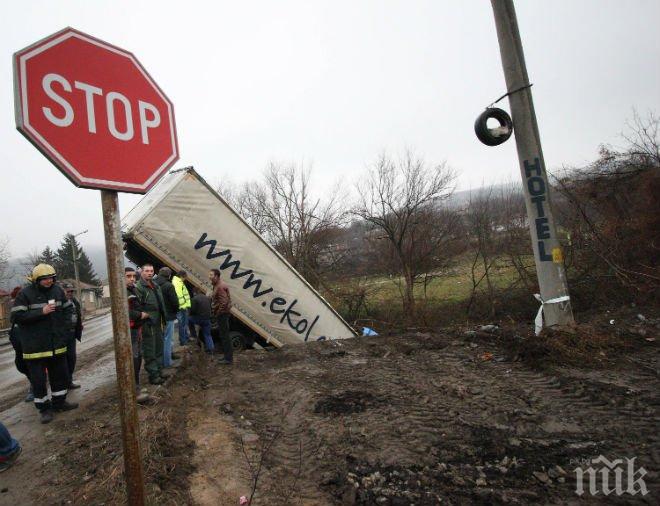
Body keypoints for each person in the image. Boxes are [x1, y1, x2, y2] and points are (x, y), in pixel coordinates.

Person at [10, 264, 78, 424]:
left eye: (51, 278)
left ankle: (60, 403)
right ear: (36, 280)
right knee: (38, 381)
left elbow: (68, 309)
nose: (49, 281)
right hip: (35, 348)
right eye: (44, 279)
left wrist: (67, 327)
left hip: (56, 345)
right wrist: (42, 312)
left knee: (60, 376)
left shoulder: (58, 291)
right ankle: (44, 409)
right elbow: (17, 317)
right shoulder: (25, 294)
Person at [135, 264, 167, 385]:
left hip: (158, 321)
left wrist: (164, 317)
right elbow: (138, 307)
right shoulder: (139, 287)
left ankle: (159, 370)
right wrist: (145, 317)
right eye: (147, 271)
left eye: (151, 271)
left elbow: (160, 303)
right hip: (147, 323)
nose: (149, 273)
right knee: (149, 349)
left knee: (159, 346)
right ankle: (153, 375)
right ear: (142, 272)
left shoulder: (155, 285)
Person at [125, 267, 150, 404]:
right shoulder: (122, 292)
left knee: (138, 357)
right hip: (130, 330)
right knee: (133, 359)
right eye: (128, 276)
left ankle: (137, 386)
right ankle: (133, 391)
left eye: (134, 276)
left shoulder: (132, 289)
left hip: (137, 328)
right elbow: (126, 312)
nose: (132, 278)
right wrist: (141, 314)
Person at [7, 286, 33, 402]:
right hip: (19, 347)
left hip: (31, 346)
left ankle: (35, 388)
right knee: (20, 365)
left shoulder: (29, 310)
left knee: (33, 367)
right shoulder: (15, 313)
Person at [152, 267, 180, 368]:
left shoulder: (153, 284)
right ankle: (168, 362)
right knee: (168, 339)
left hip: (157, 317)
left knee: (161, 339)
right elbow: (175, 302)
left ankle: (161, 361)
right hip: (168, 316)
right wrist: (176, 311)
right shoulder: (168, 285)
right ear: (169, 275)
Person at [61, 282, 82, 389]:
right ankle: (64, 382)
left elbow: (78, 314)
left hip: (72, 334)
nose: (70, 293)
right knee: (62, 360)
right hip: (62, 335)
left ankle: (69, 381)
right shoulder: (59, 302)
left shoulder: (74, 301)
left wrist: (79, 326)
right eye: (68, 291)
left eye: (71, 291)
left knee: (71, 358)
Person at [209, 269, 233, 365]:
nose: (209, 276)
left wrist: (218, 312)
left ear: (217, 276)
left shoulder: (220, 286)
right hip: (222, 314)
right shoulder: (217, 285)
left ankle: (228, 359)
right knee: (223, 336)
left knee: (225, 336)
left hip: (222, 314)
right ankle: (227, 357)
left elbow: (224, 302)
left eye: (211, 275)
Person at [189, 287, 214, 354]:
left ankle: (193, 335)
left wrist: (190, 314)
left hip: (199, 319)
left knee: (189, 320)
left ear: (194, 292)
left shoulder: (194, 299)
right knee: (208, 335)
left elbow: (192, 311)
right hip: (207, 319)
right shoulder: (207, 298)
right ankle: (210, 349)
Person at [172, 270, 191, 346]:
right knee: (182, 324)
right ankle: (183, 340)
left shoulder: (178, 282)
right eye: (185, 277)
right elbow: (179, 296)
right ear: (182, 276)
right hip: (182, 307)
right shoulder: (177, 283)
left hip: (183, 306)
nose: (185, 279)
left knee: (184, 324)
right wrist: (183, 306)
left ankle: (185, 337)